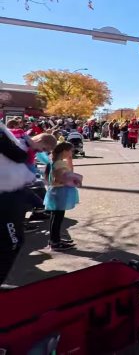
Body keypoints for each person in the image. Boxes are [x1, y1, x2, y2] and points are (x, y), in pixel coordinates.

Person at [0, 121, 48, 284]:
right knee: (12, 242)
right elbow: (19, 156)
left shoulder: (9, 134)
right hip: (6, 195)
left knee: (13, 241)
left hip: (12, 191)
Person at [43, 142, 83, 251]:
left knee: (55, 217)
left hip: (56, 191)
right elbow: (60, 178)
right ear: (64, 151)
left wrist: (70, 161)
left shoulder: (57, 161)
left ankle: (55, 240)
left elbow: (68, 172)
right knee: (57, 217)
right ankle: (55, 242)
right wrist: (75, 179)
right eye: (70, 151)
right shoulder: (59, 163)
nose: (72, 153)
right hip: (60, 191)